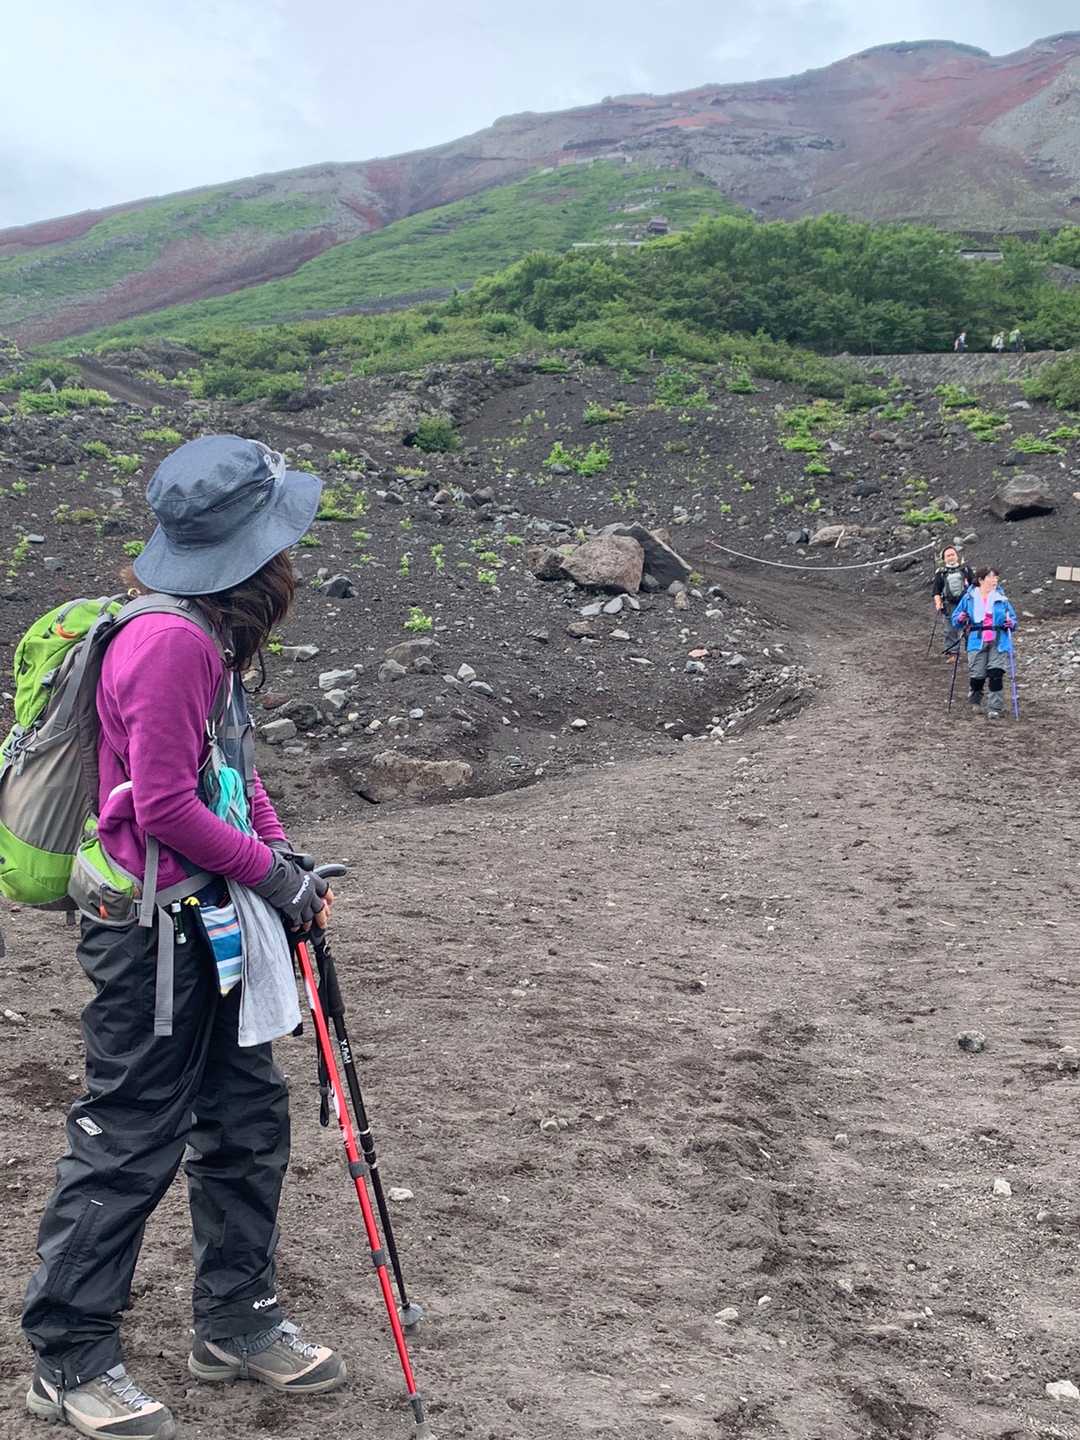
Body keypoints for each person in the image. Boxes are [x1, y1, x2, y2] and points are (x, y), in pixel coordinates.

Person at [22, 436, 347, 1440]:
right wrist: (275, 878)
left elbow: (233, 774)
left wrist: (282, 861)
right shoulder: (172, 643)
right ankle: (68, 1360)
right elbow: (164, 805)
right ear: (252, 548)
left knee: (246, 1120)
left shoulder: (211, 633)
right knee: (130, 1137)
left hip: (211, 920)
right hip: (151, 934)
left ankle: (237, 1322)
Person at [952, 564, 1018, 720]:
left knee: (996, 673)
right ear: (981, 580)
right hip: (976, 639)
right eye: (990, 577)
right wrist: (960, 618)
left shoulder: (1002, 599)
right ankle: (975, 700)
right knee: (978, 675)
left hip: (999, 639)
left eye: (996, 577)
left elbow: (1013, 619)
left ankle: (995, 708)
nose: (994, 580)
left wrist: (1011, 623)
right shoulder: (969, 598)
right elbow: (955, 619)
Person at [932, 544, 974, 659]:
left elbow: (974, 585)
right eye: (948, 556)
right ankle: (952, 654)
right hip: (949, 604)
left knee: (969, 627)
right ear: (944, 559)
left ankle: (972, 652)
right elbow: (936, 590)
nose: (951, 557)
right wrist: (938, 603)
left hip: (966, 603)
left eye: (952, 554)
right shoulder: (941, 573)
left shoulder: (966, 570)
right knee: (950, 629)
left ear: (957, 556)